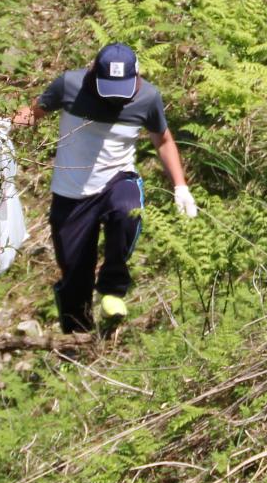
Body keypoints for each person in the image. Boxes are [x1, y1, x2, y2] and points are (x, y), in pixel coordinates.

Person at [10, 42, 198, 333]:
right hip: (71, 194)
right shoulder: (70, 85)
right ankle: (78, 339)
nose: (116, 100)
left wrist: (180, 186)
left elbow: (163, 140)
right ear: (92, 74)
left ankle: (112, 289)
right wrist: (2, 124)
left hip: (117, 180)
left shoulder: (147, 97)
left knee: (127, 210)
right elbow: (34, 113)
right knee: (74, 273)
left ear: (136, 76)